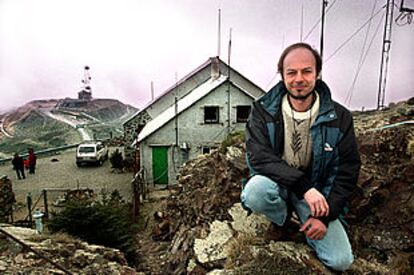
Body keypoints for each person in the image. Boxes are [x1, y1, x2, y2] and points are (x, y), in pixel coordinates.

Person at [241, 42, 361, 271]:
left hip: (317, 196)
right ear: (282, 75)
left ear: (317, 73)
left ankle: (306, 222)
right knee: (255, 192)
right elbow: (259, 157)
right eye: (291, 72)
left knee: (341, 261)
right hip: (280, 184)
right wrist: (304, 187)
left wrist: (325, 216)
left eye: (306, 71)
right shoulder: (262, 110)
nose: (299, 79)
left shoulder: (340, 117)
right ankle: (286, 219)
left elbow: (347, 170)